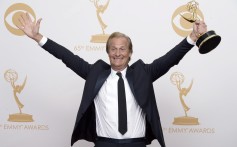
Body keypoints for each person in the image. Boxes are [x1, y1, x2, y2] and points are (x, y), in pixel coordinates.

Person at [17, 12, 207, 147]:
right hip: (104, 144)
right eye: (113, 49)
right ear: (108, 52)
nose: (118, 53)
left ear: (130, 52)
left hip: (136, 144)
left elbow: (170, 59)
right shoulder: (95, 73)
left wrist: (192, 37)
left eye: (122, 48)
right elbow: (66, 57)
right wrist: (38, 37)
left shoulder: (144, 73)